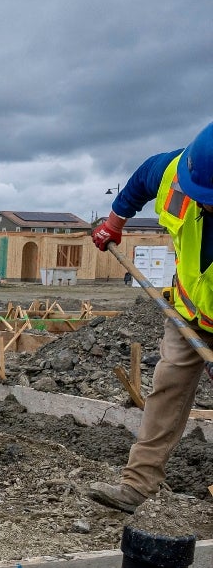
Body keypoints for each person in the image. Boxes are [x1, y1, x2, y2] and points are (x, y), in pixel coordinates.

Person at [87, 120, 213, 513]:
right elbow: (143, 177)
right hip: (189, 312)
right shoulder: (179, 171)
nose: (205, 203)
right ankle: (138, 486)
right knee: (167, 387)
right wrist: (114, 221)